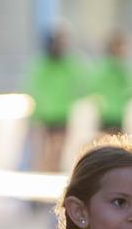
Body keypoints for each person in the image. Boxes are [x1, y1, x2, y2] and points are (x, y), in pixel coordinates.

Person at [28, 24, 88, 173]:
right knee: (43, 152)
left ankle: (53, 173)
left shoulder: (70, 64)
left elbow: (82, 83)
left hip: (62, 112)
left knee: (58, 150)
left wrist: (72, 97)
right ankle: (42, 175)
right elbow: (33, 88)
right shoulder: (41, 64)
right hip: (44, 114)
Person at [90, 28, 132, 134]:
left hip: (124, 115)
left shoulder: (129, 68)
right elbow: (94, 87)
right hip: (106, 114)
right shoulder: (103, 67)